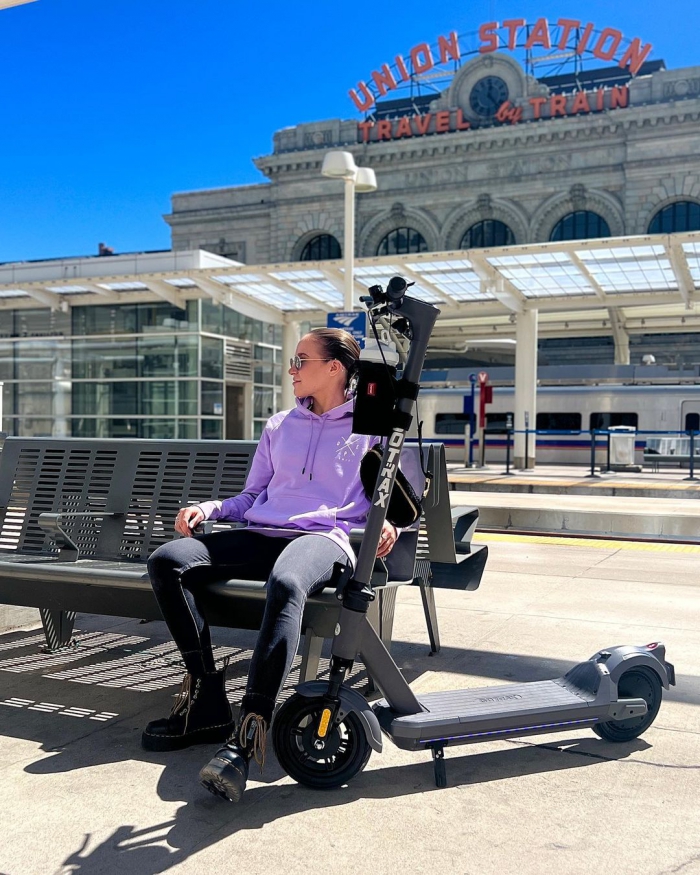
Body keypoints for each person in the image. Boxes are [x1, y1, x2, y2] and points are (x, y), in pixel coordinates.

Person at [141, 327, 397, 803]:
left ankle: (248, 731)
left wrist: (389, 526)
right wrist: (210, 509)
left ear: (334, 368)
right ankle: (206, 699)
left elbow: (397, 497)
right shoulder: (280, 425)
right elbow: (252, 495)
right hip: (263, 532)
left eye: (302, 360)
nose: (292, 370)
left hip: (324, 537)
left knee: (286, 580)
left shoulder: (372, 423)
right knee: (167, 561)